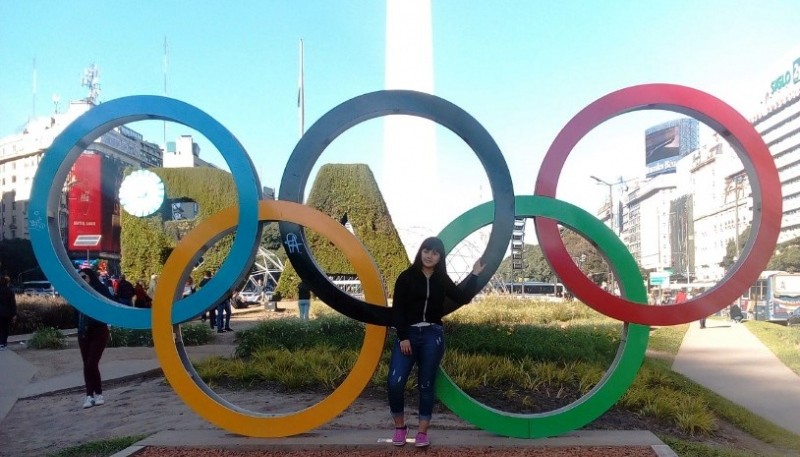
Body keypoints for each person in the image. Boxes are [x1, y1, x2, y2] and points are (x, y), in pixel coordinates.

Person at [387, 237, 485, 448]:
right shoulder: (406, 277)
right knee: (395, 383)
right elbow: (398, 311)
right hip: (408, 336)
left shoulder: (441, 279)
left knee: (426, 384)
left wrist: (474, 274)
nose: (429, 255)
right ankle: (400, 428)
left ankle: (422, 432)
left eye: (435, 253)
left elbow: (462, 297)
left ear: (440, 257)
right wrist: (403, 336)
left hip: (433, 336)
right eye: (426, 250)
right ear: (421, 251)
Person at [77, 267, 111, 409]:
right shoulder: (78, 292)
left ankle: (99, 394)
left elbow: (109, 303)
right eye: (79, 277)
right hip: (83, 331)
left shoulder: (99, 289)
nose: (81, 280)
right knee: (87, 365)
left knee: (91, 363)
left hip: (98, 330)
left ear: (90, 277)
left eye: (84, 277)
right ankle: (89, 395)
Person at [0, 276, 17, 351]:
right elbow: (13, 304)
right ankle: (4, 343)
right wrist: (14, 314)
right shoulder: (10, 291)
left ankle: (1, 343)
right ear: (7, 283)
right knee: (5, 328)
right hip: (7, 313)